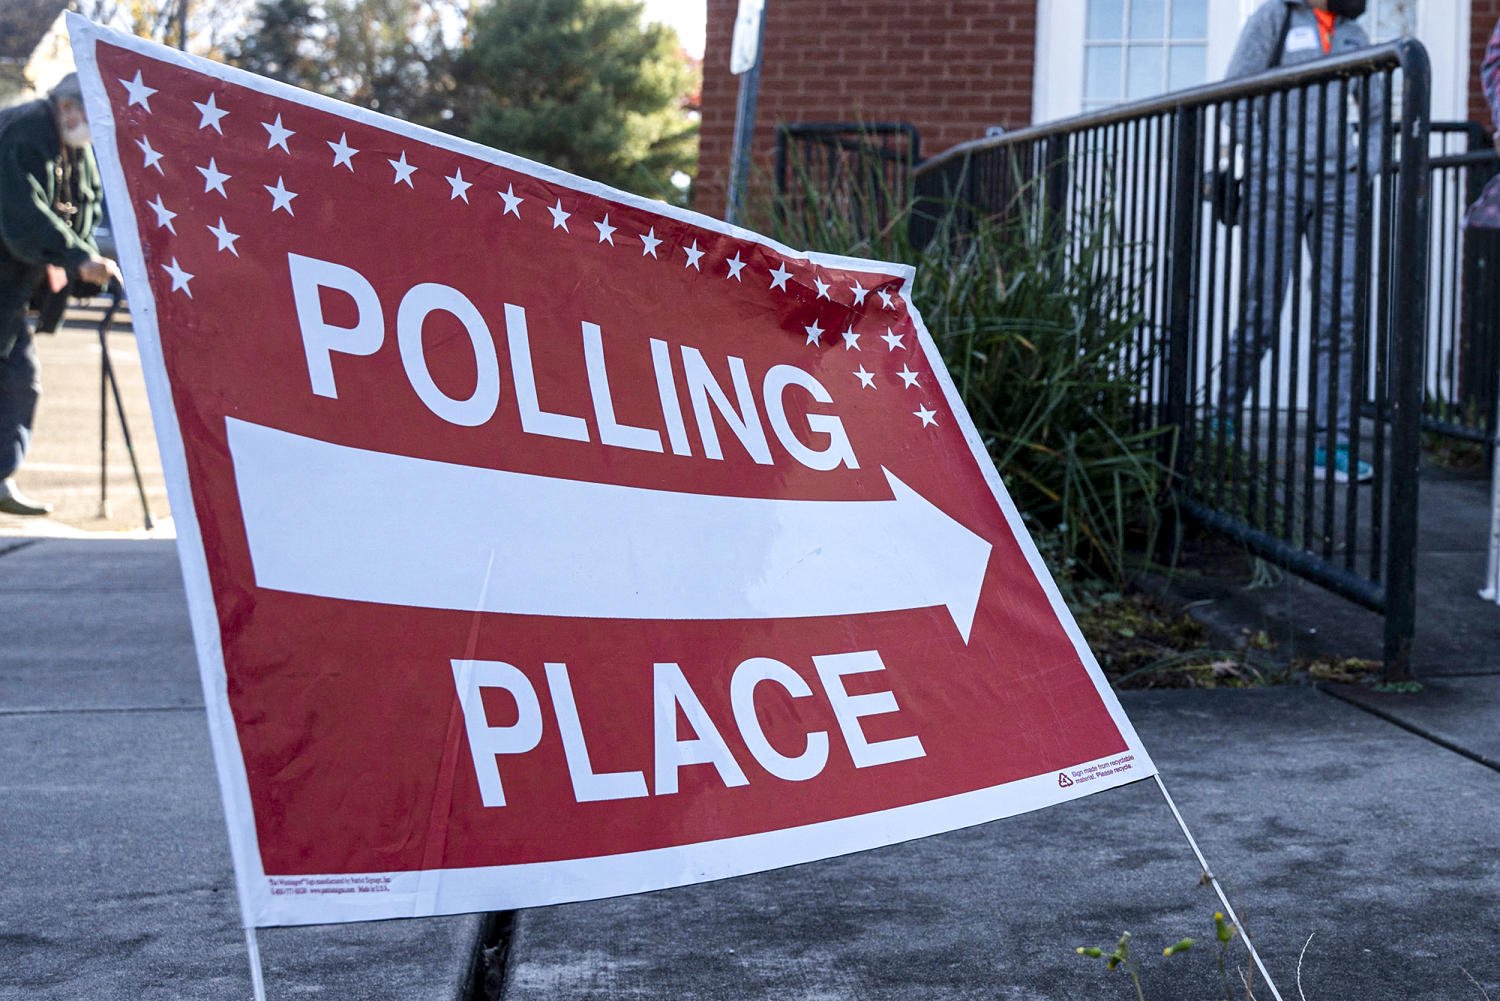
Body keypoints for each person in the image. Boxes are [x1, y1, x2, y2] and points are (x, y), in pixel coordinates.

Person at [1220, 0, 1380, 483]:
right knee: (1260, 312)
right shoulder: (1277, 17)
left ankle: (1333, 447)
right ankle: (1219, 423)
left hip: (1340, 190)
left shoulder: (1353, 33)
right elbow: (1235, 93)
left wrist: (1363, 168)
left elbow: (1374, 113)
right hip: (1278, 184)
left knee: (1342, 317)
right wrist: (1265, 159)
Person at [0, 72, 119, 516]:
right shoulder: (24, 133)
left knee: (19, 379)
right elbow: (22, 215)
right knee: (16, 376)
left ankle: (0, 479)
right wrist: (75, 258)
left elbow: (83, 206)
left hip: (12, 287)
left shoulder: (77, 145)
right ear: (67, 107)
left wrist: (85, 267)